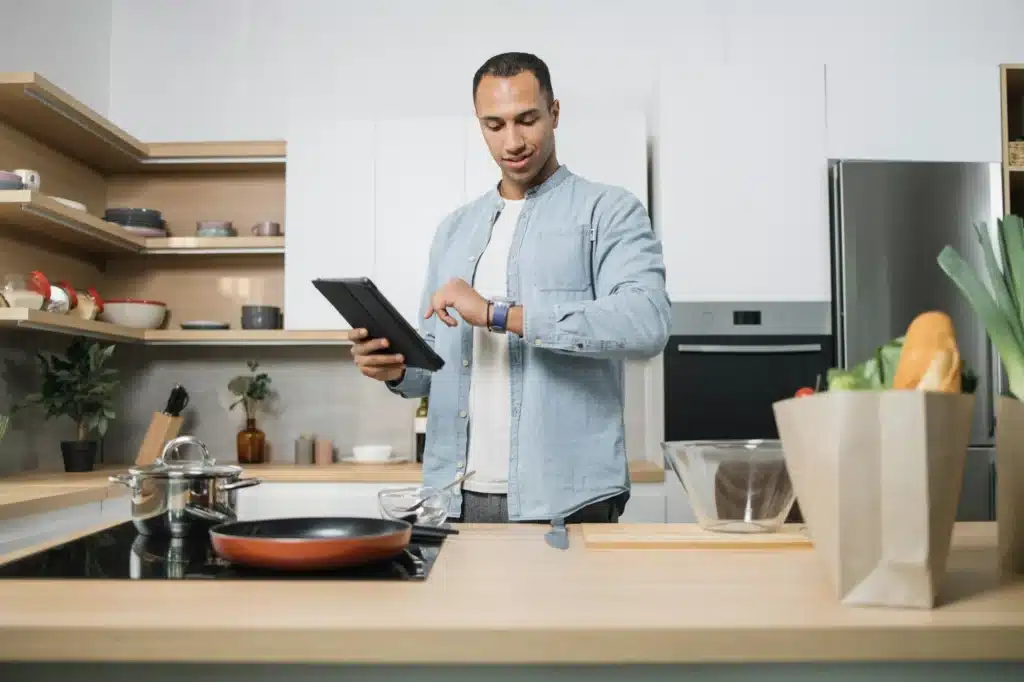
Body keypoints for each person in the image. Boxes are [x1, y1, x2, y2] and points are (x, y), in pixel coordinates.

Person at [350, 52, 670, 524]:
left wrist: (497, 314)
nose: (513, 141)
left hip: (566, 500)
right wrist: (393, 367)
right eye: (494, 125)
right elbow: (430, 371)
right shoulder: (455, 230)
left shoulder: (609, 211)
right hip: (453, 496)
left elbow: (647, 322)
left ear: (554, 113)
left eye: (527, 120)